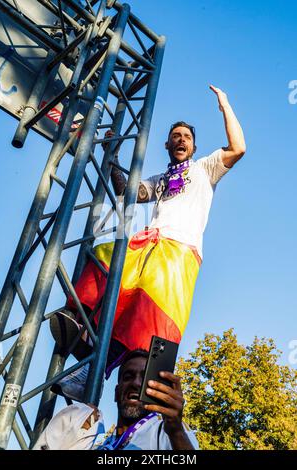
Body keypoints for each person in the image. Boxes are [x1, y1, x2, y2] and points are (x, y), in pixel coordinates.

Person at [50, 85, 246, 399]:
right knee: (104, 257)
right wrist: (110, 154)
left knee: (144, 321)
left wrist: (224, 104)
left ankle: (98, 375)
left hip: (178, 252)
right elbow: (126, 190)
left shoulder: (204, 169)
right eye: (176, 136)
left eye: (187, 137)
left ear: (194, 147)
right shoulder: (162, 181)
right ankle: (79, 326)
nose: (181, 140)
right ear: (167, 144)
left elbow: (238, 148)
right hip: (148, 245)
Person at [33, 350, 198, 450]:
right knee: (81, 414)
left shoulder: (166, 432)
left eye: (145, 379)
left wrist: (176, 431)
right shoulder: (102, 444)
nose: (135, 383)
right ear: (116, 393)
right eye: (128, 376)